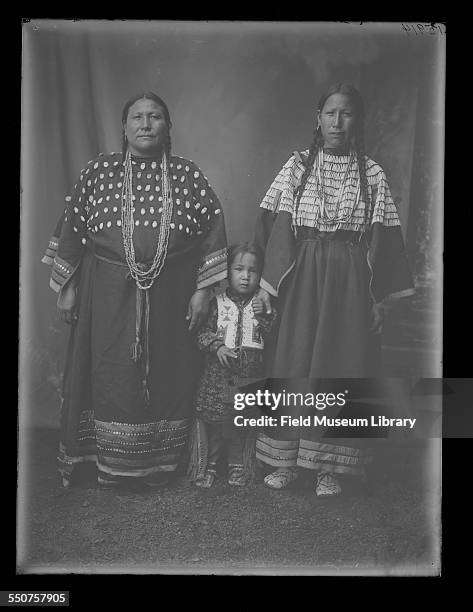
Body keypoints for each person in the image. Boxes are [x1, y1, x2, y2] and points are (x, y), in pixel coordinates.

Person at [42, 92, 227, 489]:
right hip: (106, 294)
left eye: (155, 117)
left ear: (168, 127)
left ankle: (163, 463)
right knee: (111, 373)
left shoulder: (186, 174)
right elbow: (72, 229)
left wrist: (202, 292)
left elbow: (212, 231)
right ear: (124, 128)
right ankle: (105, 461)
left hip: (172, 294)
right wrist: (69, 287)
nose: (146, 124)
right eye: (137, 118)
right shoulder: (99, 171)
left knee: (168, 372)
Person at [254, 83, 415, 496]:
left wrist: (379, 299)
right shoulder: (296, 166)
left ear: (357, 120)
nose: (337, 121)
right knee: (294, 362)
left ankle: (329, 466)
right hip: (301, 274)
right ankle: (286, 461)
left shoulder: (374, 173)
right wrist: (267, 287)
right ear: (318, 118)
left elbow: (386, 241)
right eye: (329, 113)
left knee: (341, 363)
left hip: (349, 280)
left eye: (346, 113)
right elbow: (272, 227)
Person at [187, 242, 276, 488]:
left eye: (253, 271)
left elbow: (272, 336)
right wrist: (218, 347)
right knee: (215, 421)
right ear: (228, 271)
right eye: (239, 269)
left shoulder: (263, 306)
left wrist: (264, 314)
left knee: (240, 423)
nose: (246, 277)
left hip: (248, 377)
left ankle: (238, 464)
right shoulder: (217, 302)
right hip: (217, 375)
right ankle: (211, 464)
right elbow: (201, 333)